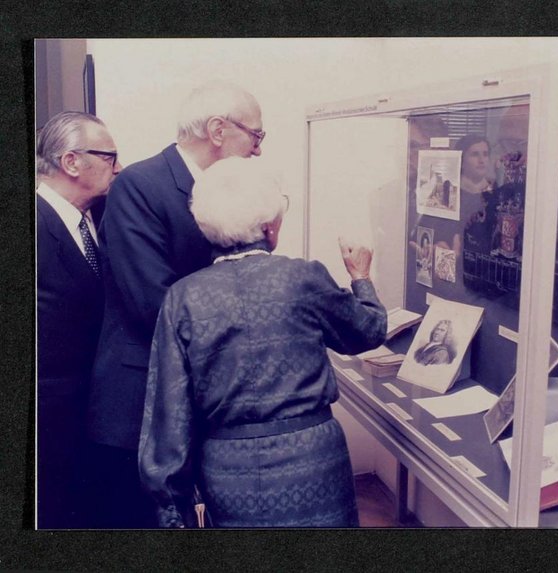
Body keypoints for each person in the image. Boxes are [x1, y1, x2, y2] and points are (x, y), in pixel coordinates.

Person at [138, 157, 387, 528]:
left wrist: (171, 507)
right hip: (313, 461)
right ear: (270, 227)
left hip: (228, 469)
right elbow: (369, 331)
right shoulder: (303, 278)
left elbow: (169, 409)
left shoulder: (183, 298)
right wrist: (361, 278)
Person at [85, 82, 264, 528]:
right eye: (256, 135)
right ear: (218, 130)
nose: (258, 150)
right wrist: (248, 335)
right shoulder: (140, 186)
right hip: (141, 403)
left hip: (195, 393)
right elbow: (153, 303)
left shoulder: (226, 190)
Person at [35, 111, 122, 528]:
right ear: (71, 162)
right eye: (109, 157)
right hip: (50, 431)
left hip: (94, 423)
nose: (117, 168)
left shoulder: (101, 218)